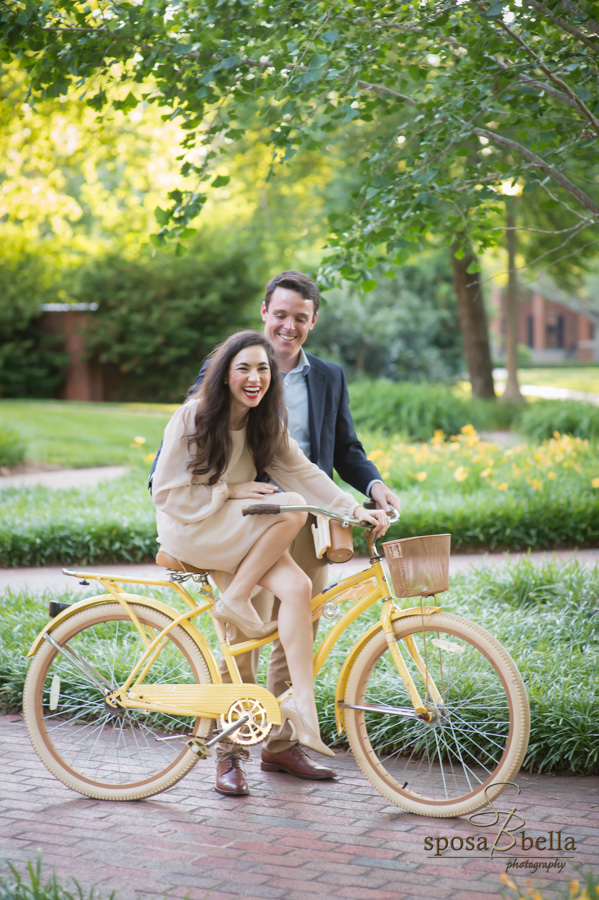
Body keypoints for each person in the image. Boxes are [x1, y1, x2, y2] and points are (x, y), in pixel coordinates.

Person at [150, 270, 401, 795]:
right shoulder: (221, 381)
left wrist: (362, 500)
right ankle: (230, 752)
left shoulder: (320, 380)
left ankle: (287, 736)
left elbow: (329, 459)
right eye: (281, 315)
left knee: (299, 611)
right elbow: (172, 475)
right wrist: (230, 491)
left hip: (302, 518)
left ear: (313, 321)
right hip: (240, 521)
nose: (289, 326)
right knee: (242, 636)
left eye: (300, 318)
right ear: (265, 312)